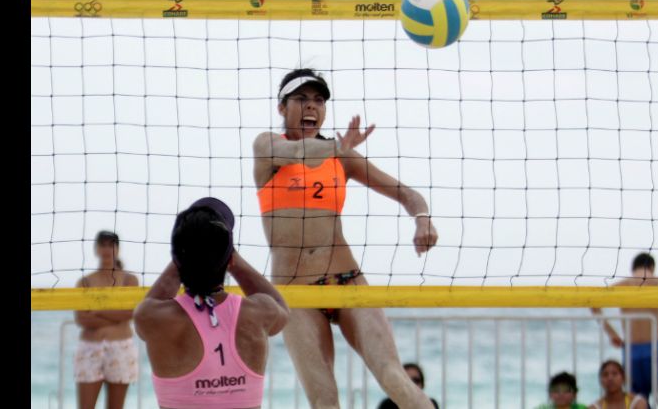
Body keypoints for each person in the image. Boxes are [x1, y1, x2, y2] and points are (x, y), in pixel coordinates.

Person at [253, 68, 439, 408]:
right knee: (325, 399)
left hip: (348, 279)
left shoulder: (340, 155)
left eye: (319, 100)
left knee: (397, 381)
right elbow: (300, 154)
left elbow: (408, 195)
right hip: (296, 293)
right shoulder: (267, 146)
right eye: (302, 99)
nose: (312, 107)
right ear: (283, 108)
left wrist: (422, 220)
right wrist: (341, 147)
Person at [133, 197, 290, 409]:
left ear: (177, 258)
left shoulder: (153, 317)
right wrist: (230, 258)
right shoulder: (260, 311)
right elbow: (282, 307)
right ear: (230, 258)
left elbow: (152, 300)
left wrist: (185, 255)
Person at [591, 253, 658, 408]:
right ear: (652, 267)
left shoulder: (623, 284)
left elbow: (594, 305)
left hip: (631, 352)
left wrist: (612, 334)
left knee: (636, 403)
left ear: (633, 267)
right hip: (657, 350)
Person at [74, 230, 139, 409]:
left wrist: (96, 311)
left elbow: (129, 313)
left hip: (121, 347)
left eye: (111, 244)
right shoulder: (85, 281)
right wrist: (115, 314)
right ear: (96, 249)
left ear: (117, 249)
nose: (106, 249)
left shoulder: (129, 279)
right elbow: (82, 319)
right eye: (102, 244)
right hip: (90, 348)